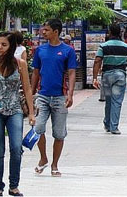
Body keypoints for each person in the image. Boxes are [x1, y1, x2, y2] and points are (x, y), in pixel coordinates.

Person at [0, 32, 35, 197]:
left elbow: (27, 89)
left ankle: (14, 185)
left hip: (15, 110)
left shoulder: (20, 64)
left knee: (16, 147)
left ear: (11, 46)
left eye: (4, 44)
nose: (0, 47)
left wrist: (31, 113)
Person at [31, 19, 77, 177]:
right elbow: (35, 72)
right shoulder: (40, 50)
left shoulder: (67, 50)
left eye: (47, 30)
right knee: (38, 128)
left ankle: (54, 164)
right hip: (42, 95)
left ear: (56, 32)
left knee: (59, 133)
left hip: (60, 96)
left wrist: (70, 94)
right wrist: (31, 93)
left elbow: (71, 72)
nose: (43, 32)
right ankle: (43, 158)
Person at [93, 24, 127, 135]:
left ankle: (107, 124)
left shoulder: (103, 46)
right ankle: (114, 127)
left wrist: (94, 78)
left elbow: (97, 61)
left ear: (110, 32)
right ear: (120, 33)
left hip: (107, 76)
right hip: (120, 76)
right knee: (117, 101)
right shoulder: (126, 47)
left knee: (108, 100)